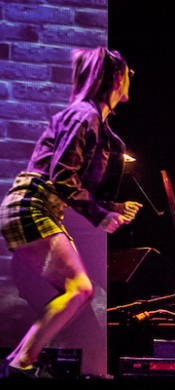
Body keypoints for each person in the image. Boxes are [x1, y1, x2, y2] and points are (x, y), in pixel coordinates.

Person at [0, 46, 142, 379]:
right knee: (80, 289)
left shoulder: (100, 126)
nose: (130, 80)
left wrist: (114, 208)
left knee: (78, 294)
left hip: (39, 206)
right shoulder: (84, 115)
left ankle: (21, 361)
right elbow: (62, 177)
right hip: (32, 203)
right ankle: (19, 363)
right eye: (128, 74)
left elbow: (79, 185)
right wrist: (100, 216)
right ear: (116, 78)